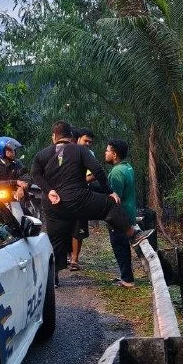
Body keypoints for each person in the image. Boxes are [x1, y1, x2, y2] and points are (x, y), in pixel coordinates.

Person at [30, 121, 152, 280]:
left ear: (54, 136)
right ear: (72, 136)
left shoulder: (42, 154)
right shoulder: (81, 150)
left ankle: (53, 279)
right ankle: (133, 234)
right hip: (78, 200)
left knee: (55, 242)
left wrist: (50, 190)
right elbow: (98, 170)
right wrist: (110, 192)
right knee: (110, 204)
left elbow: (36, 175)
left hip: (53, 205)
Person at [105, 138, 138, 288]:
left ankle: (128, 279)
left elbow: (114, 198)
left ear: (115, 154)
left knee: (120, 247)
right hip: (129, 212)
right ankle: (126, 276)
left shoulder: (117, 172)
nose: (105, 153)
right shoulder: (128, 167)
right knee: (123, 246)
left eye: (107, 151)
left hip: (120, 216)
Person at [68, 127, 96, 271]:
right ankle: (66, 256)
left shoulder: (89, 154)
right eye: (86, 140)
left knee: (78, 229)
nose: (88, 144)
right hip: (65, 195)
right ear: (77, 139)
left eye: (90, 142)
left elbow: (94, 174)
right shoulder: (65, 151)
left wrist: (80, 181)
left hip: (81, 196)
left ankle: (75, 259)